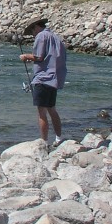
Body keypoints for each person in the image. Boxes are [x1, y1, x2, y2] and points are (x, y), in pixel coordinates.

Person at [19, 17, 67, 145]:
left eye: (32, 31)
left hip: (43, 79)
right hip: (55, 79)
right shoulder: (55, 38)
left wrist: (25, 57)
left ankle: (44, 142)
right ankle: (58, 138)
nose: (33, 34)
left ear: (36, 27)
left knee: (41, 112)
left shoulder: (41, 36)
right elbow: (50, 58)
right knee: (52, 109)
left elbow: (38, 57)